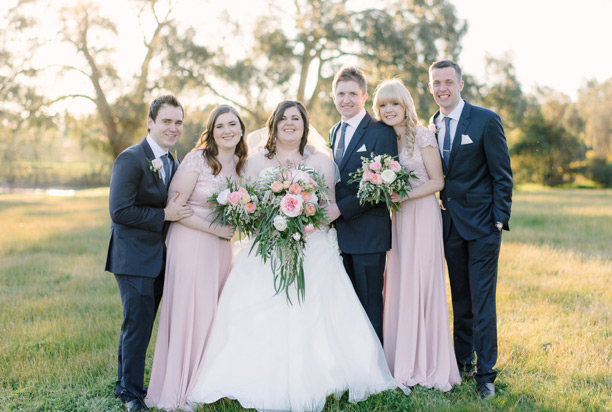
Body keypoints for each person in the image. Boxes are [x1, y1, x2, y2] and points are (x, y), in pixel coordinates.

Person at [187, 100, 406, 412]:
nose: (289, 123)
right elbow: (250, 203)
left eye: (296, 119)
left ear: (305, 126)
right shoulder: (254, 161)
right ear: (273, 124)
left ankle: (333, 373)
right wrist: (273, 221)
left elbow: (329, 207)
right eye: (283, 118)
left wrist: (303, 219)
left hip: (313, 245)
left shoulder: (322, 161)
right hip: (267, 247)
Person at [145, 105, 246, 411]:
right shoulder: (197, 160)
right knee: (190, 309)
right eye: (219, 126)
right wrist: (216, 229)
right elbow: (175, 211)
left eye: (232, 124)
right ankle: (178, 389)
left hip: (220, 248)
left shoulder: (244, 165)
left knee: (213, 312)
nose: (226, 131)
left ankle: (206, 382)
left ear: (241, 129)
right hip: (190, 241)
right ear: (211, 132)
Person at [428, 60, 513, 399]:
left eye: (448, 81)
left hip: (482, 227)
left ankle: (486, 376)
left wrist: (498, 219)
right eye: (436, 83)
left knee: (482, 301)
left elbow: (502, 175)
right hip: (448, 225)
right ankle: (462, 361)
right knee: (460, 298)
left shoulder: (485, 120)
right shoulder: (431, 124)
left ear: (460, 84)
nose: (442, 88)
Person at [105, 95, 193, 412]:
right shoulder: (131, 159)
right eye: (167, 121)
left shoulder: (173, 161)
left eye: (178, 122)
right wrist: (165, 216)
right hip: (133, 258)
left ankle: (132, 384)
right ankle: (130, 393)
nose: (173, 128)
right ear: (150, 122)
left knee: (146, 323)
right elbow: (120, 211)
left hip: (159, 258)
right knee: (138, 325)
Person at [373, 79, 461, 391]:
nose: (388, 110)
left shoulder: (422, 135)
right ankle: (399, 358)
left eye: (394, 103)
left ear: (405, 105)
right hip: (397, 220)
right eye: (383, 105)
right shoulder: (383, 140)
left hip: (422, 216)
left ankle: (426, 361)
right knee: (399, 282)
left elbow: (438, 181)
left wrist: (404, 196)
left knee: (421, 282)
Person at [329, 66, 398, 342]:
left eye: (352, 94)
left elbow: (382, 184)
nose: (346, 99)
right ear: (334, 96)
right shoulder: (335, 131)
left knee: (370, 303)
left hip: (369, 233)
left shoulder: (381, 132)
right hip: (337, 235)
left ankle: (375, 369)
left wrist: (340, 209)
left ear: (364, 96)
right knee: (346, 304)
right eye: (340, 93)